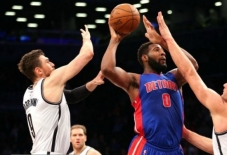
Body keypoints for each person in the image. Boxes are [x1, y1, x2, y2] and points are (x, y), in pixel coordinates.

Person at [156, 11, 227, 154]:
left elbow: (189, 72)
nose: (224, 85)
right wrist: (185, 133)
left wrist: (167, 39)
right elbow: (218, 148)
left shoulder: (225, 108)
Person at [101, 15, 198, 154]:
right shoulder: (136, 80)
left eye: (163, 51)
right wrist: (114, 41)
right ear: (144, 58)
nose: (163, 53)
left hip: (175, 149)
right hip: (148, 147)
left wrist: (163, 42)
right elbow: (107, 69)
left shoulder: (174, 78)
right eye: (157, 50)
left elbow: (192, 66)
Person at [17, 25, 104, 154]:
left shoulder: (28, 93)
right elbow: (87, 54)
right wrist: (87, 39)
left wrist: (92, 83)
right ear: (38, 70)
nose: (52, 64)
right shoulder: (49, 82)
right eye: (47, 62)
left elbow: (72, 96)